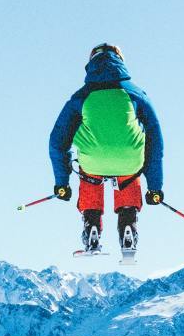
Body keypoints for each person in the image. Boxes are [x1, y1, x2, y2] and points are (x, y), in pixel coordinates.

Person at [49, 43, 164, 252]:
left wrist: (62, 183)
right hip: (130, 161)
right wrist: (154, 186)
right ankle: (128, 223)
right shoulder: (136, 94)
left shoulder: (81, 96)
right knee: (129, 165)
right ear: (121, 61)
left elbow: (57, 141)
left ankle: (91, 224)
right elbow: (155, 140)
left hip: (93, 161)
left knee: (88, 166)